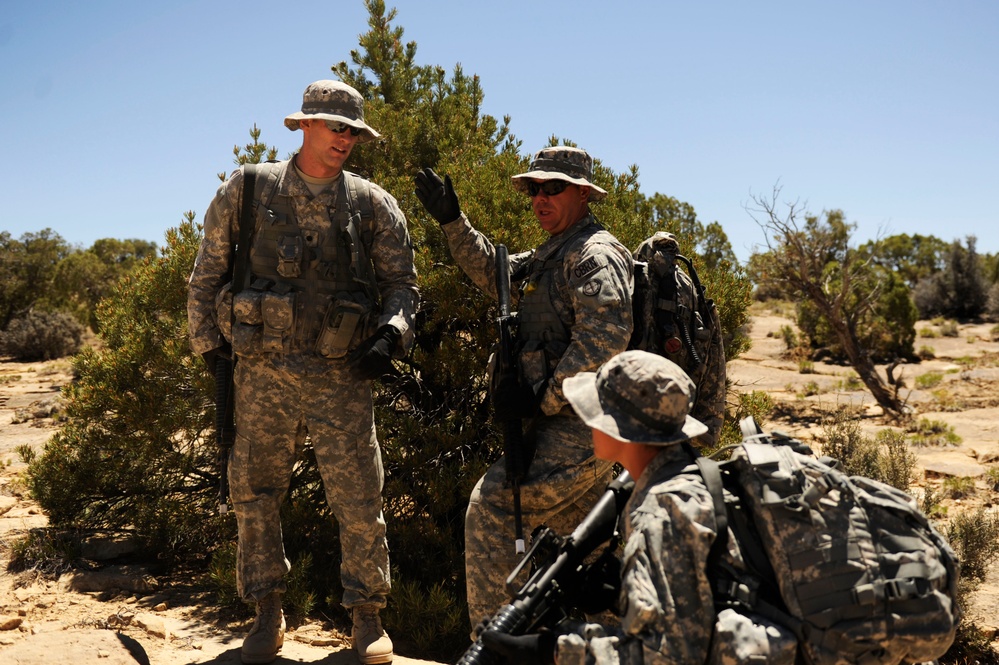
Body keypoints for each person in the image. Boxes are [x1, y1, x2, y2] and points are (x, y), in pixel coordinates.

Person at [188, 80, 419, 665]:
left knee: (359, 496)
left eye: (353, 132)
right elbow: (205, 276)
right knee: (255, 496)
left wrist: (391, 334)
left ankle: (367, 619)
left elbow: (402, 288)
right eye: (335, 128)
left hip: (341, 376)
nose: (345, 140)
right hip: (261, 374)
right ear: (305, 127)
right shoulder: (248, 189)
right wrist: (211, 350)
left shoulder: (371, 203)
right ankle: (267, 614)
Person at [414, 147, 635, 629]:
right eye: (534, 188)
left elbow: (605, 338)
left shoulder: (593, 254)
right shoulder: (549, 255)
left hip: (581, 428)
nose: (540, 197)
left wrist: (543, 396)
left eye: (552, 188)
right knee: (593, 549)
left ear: (582, 194)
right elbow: (494, 275)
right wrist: (454, 222)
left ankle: (495, 649)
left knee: (491, 506)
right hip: (567, 428)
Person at [480, 350, 797, 664]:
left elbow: (668, 657)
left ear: (621, 428)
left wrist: (554, 651)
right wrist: (620, 595)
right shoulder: (692, 480)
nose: (588, 419)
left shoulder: (659, 512)